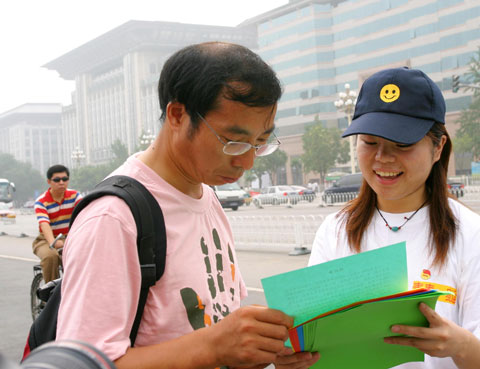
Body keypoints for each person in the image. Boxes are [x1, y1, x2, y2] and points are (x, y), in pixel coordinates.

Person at [57, 42, 319, 369]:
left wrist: (260, 351)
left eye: (260, 142)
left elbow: (217, 322)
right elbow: (79, 364)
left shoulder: (206, 197)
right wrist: (213, 346)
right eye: (233, 141)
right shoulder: (114, 218)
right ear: (178, 115)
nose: (247, 161)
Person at [308, 67, 480, 369]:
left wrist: (460, 344)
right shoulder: (336, 230)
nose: (383, 158)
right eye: (370, 142)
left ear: (438, 147)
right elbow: (315, 339)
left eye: (402, 145)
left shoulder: (472, 234)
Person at [33, 164, 82, 283]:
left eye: (64, 179)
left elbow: (83, 217)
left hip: (69, 238)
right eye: (57, 180)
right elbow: (44, 224)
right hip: (45, 240)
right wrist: (53, 243)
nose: (61, 182)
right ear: (49, 181)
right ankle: (50, 296)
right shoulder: (41, 201)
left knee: (81, 256)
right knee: (51, 257)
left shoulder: (75, 196)